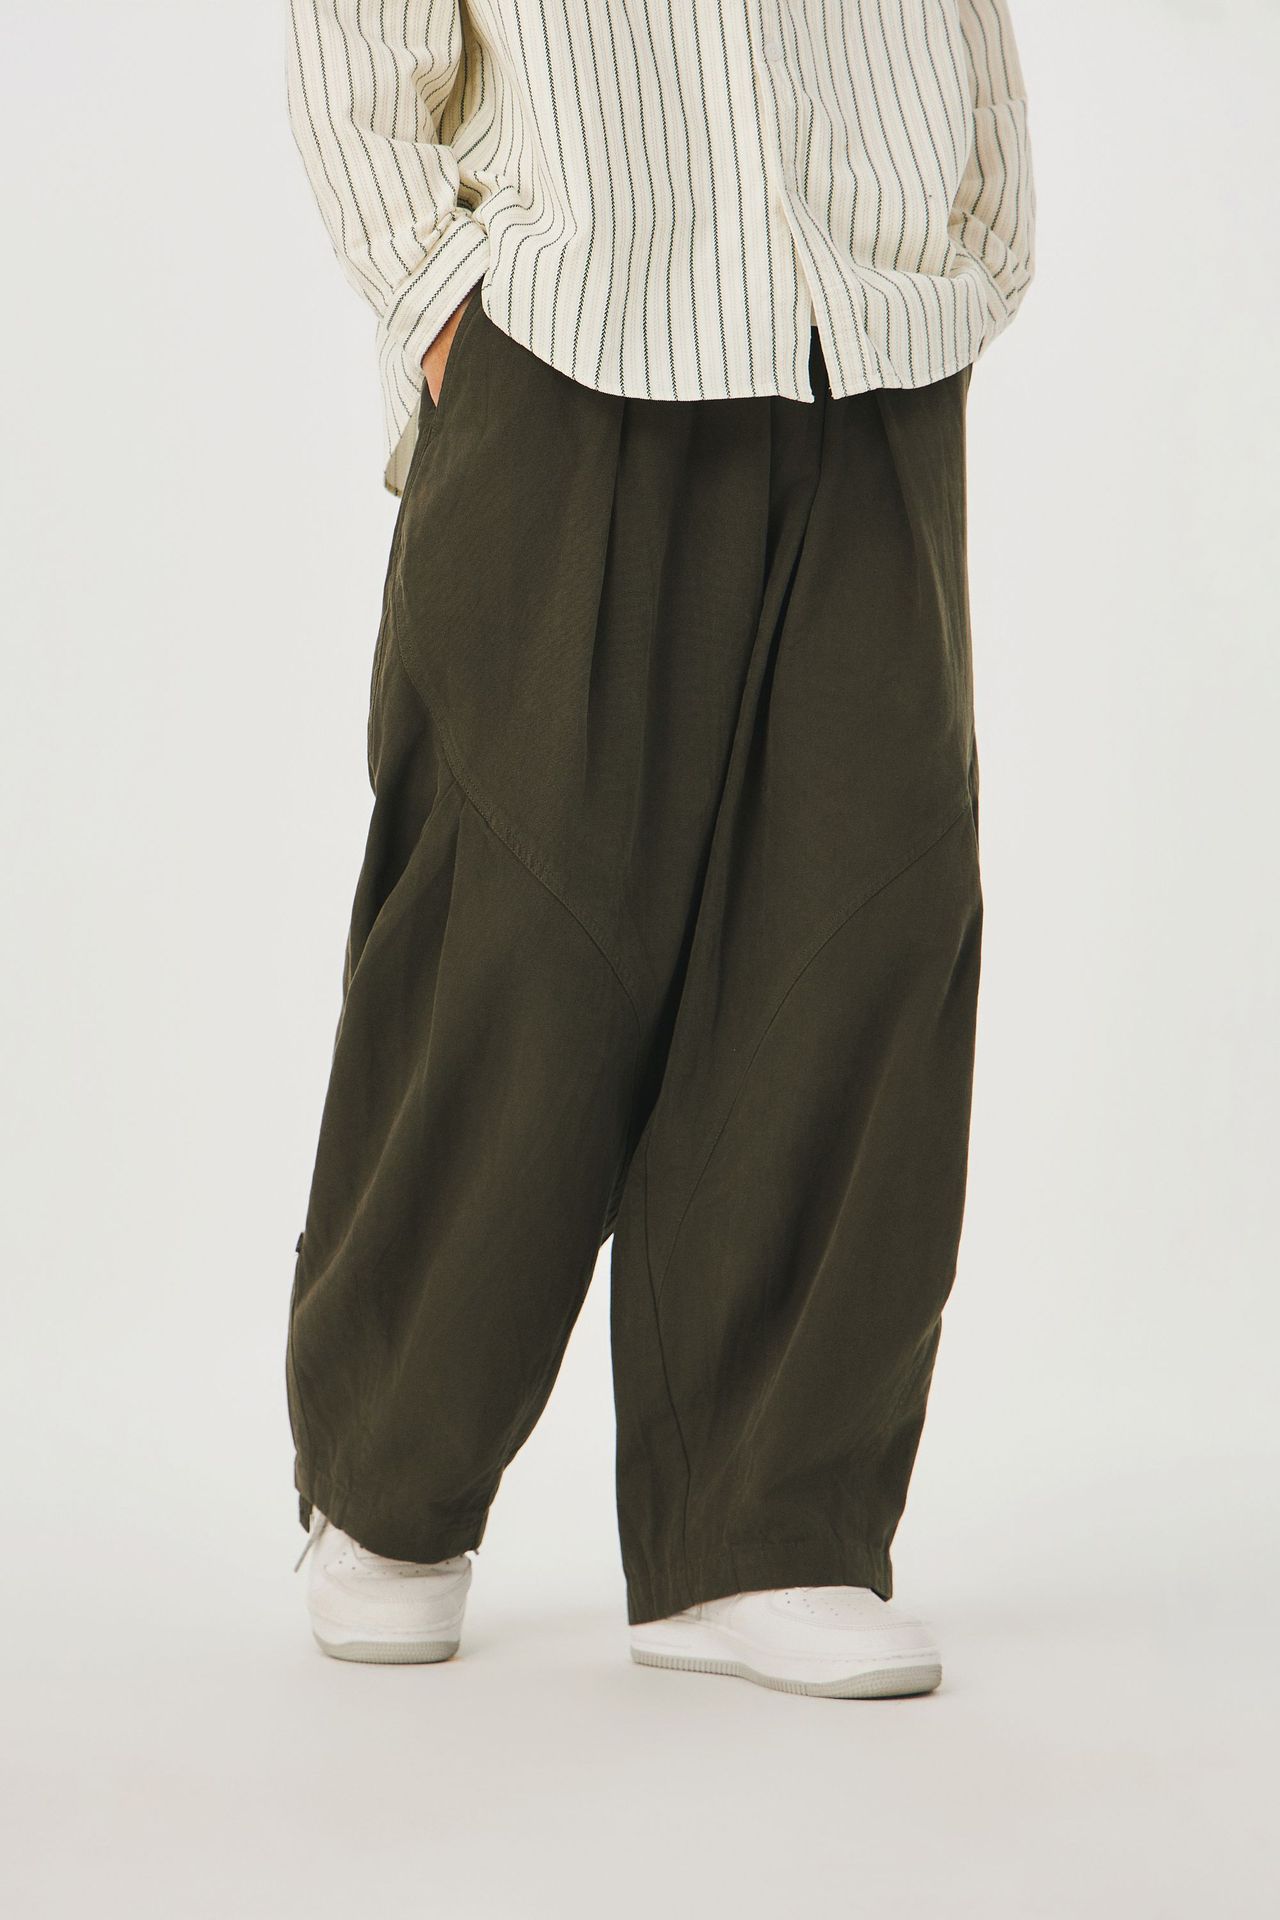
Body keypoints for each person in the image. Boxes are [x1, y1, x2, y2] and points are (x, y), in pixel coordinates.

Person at [284, 0, 1035, 1698]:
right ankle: (388, 1487)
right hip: (574, 338)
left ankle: (763, 1532)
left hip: (872, 331)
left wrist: (972, 233)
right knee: (514, 928)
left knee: (865, 917)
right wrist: (442, 305)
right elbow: (356, 46)